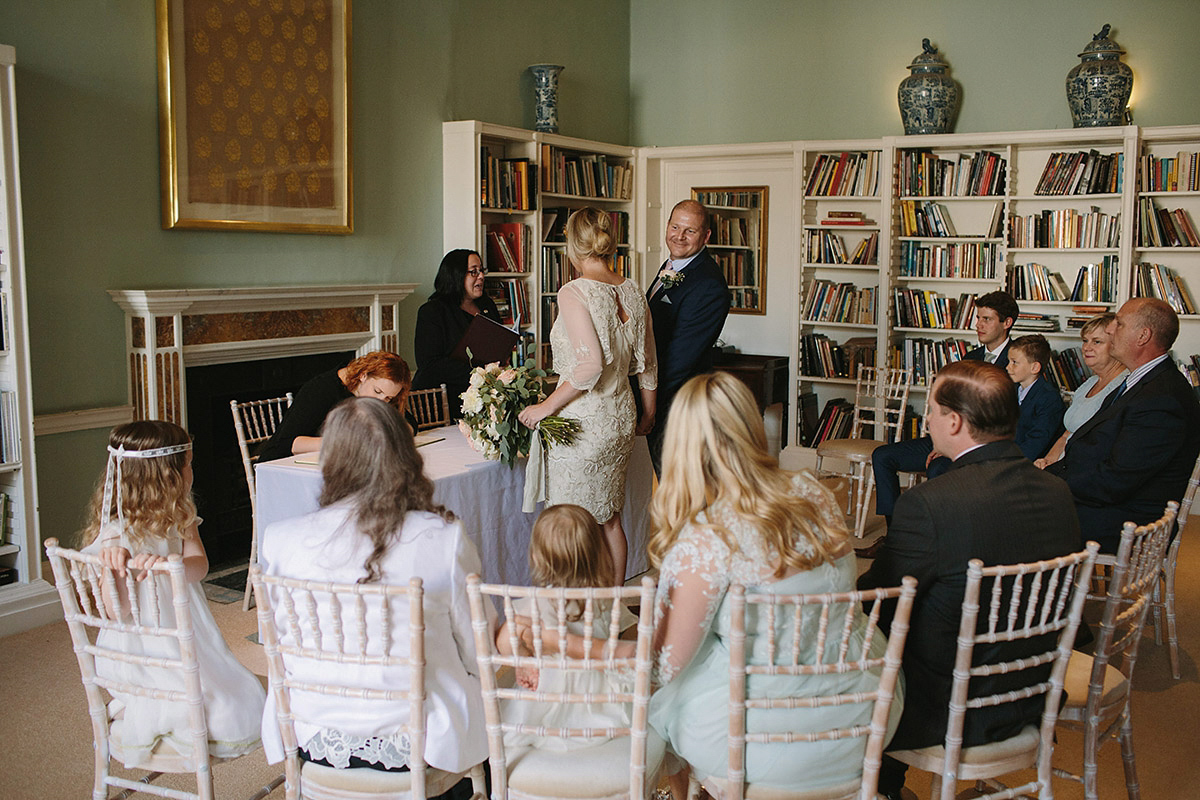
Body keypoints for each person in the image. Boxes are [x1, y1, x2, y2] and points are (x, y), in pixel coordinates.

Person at [647, 372, 901, 798]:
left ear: (681, 447)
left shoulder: (707, 538)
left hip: (770, 743)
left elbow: (660, 667)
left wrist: (591, 647)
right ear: (751, 428)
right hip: (865, 714)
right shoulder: (813, 492)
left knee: (667, 692)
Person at [857, 360, 1081, 800]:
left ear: (955, 421)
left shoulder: (929, 503)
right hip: (1033, 689)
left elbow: (876, 600)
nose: (928, 422)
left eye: (932, 412)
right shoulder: (1058, 490)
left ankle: (880, 788)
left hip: (950, 704)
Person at [258, 397, 489, 794]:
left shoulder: (280, 540)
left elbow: (280, 642)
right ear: (404, 456)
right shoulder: (441, 538)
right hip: (420, 740)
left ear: (330, 460)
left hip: (312, 732)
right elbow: (477, 648)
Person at [82, 420, 264, 769]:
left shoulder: (179, 513)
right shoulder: (115, 535)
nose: (192, 471)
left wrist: (172, 563)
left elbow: (199, 566)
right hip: (140, 648)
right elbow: (116, 612)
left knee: (237, 691)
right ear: (168, 475)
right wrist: (118, 572)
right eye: (189, 464)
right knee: (226, 704)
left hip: (188, 637)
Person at [518, 207, 657, 586]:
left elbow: (589, 366)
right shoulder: (632, 290)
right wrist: (647, 414)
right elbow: (647, 365)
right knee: (610, 519)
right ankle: (611, 607)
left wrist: (544, 408)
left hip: (584, 422)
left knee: (570, 520)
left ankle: (576, 607)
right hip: (621, 418)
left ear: (571, 245)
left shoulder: (574, 291)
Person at [864, 290, 1020, 553]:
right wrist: (942, 439)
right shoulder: (970, 358)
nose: (978, 325)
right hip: (947, 437)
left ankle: (938, 542)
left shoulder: (1019, 360)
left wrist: (952, 443)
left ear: (1007, 323)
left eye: (986, 319)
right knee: (883, 455)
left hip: (975, 445)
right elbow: (951, 404)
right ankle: (896, 539)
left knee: (938, 470)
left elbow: (1007, 415)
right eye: (977, 318)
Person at [1047, 297, 1200, 552]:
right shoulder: (1142, 382)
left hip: (1127, 521)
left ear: (1143, 336)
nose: (1109, 329)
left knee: (1010, 517)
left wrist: (1049, 487)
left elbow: (1115, 481)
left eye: (1118, 324)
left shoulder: (1162, 398)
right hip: (1104, 503)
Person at [496, 504, 637, 751]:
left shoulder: (536, 603)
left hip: (546, 707)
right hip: (599, 703)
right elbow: (631, 639)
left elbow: (503, 644)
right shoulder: (606, 603)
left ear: (537, 558)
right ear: (598, 555)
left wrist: (525, 658)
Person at [645, 199, 732, 472]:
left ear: (706, 236)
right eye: (674, 226)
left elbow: (680, 359)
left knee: (677, 485)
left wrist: (646, 400)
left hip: (676, 404)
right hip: (658, 397)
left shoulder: (709, 285)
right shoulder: (673, 264)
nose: (679, 236)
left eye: (689, 231)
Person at [257, 351, 412, 463]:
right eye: (377, 391)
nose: (381, 402)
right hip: (284, 466)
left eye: (388, 398)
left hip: (329, 464)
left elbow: (410, 424)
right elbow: (286, 444)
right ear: (363, 375)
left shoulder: (380, 394)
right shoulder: (321, 389)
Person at [412, 249, 504, 417]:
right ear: (455, 275)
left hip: (485, 395)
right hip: (443, 401)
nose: (481, 276)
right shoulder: (432, 311)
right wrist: (480, 372)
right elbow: (429, 364)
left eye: (482, 270)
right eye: (473, 272)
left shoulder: (487, 305)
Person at [1035, 313, 1127, 468]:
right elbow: (1067, 434)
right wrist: (1047, 462)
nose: (1086, 347)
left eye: (1097, 342)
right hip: (1062, 467)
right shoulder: (1089, 384)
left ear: (1116, 345)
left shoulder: (1124, 386)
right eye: (1085, 341)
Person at [1004, 334, 1065, 460]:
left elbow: (1037, 440)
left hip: (1027, 461)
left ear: (1035, 367)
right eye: (1009, 361)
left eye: (1014, 362)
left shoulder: (1049, 398)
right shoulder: (1012, 390)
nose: (1008, 367)